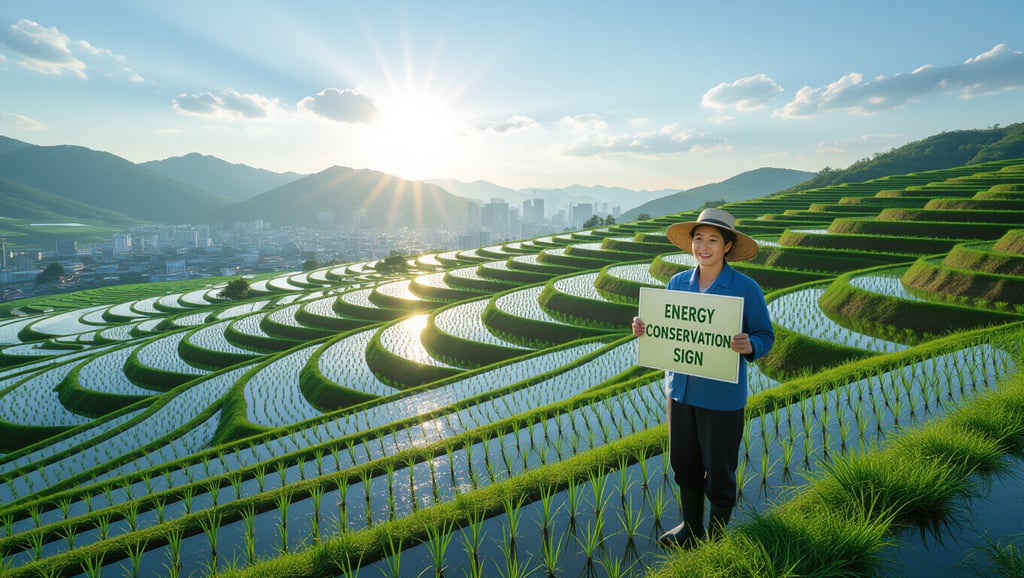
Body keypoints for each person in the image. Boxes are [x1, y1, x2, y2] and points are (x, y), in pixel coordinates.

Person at [632, 207, 774, 547]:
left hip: (721, 397)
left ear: (727, 246)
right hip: (680, 392)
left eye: (713, 240)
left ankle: (717, 539)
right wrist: (645, 328)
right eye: (698, 239)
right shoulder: (678, 282)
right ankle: (691, 528)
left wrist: (750, 344)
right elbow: (668, 327)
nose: (704, 247)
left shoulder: (745, 288)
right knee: (684, 463)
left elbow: (765, 336)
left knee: (720, 470)